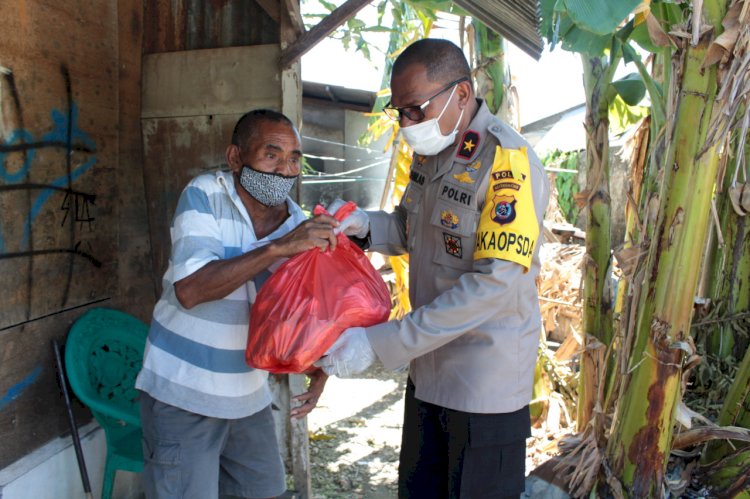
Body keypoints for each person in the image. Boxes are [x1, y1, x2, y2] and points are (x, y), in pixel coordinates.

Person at [316, 39, 550, 498]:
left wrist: (379, 342)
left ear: (461, 94)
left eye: (415, 109)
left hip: (483, 387)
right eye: (399, 111)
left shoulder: (508, 162)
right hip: (428, 375)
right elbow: (412, 230)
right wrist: (365, 227)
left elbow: (493, 285)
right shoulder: (434, 151)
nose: (407, 124)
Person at [136, 109, 338, 499]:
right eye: (271, 154)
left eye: (294, 158)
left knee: (267, 491)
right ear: (235, 158)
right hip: (183, 394)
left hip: (247, 398)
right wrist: (278, 248)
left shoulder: (297, 224)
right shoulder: (204, 194)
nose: (284, 169)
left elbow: (303, 315)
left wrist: (323, 366)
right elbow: (191, 290)